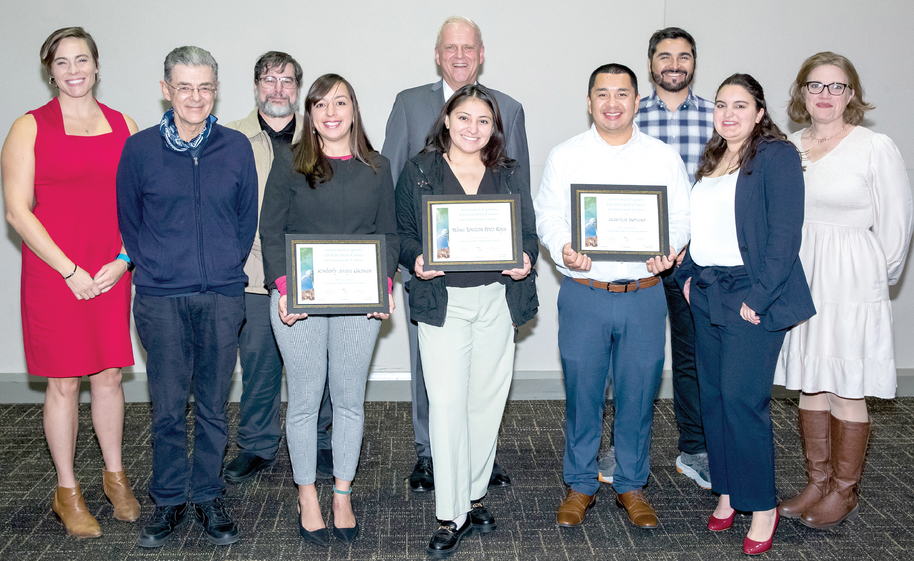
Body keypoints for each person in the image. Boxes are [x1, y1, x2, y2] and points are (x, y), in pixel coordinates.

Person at [534, 64, 690, 530]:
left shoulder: (663, 156)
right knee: (583, 394)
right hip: (585, 293)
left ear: (637, 101)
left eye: (622, 93)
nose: (612, 103)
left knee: (639, 393)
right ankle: (580, 484)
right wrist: (563, 248)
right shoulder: (566, 156)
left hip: (644, 294)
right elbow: (549, 214)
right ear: (589, 102)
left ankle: (631, 484)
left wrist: (670, 247)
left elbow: (680, 215)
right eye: (602, 94)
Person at [0, 26, 140, 539]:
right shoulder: (28, 127)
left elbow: (139, 203)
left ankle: (115, 475)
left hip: (109, 269)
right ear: (50, 71)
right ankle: (67, 491)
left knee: (107, 376)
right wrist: (69, 270)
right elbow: (18, 212)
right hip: (55, 273)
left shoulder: (126, 124)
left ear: (97, 65)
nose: (74, 70)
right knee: (63, 382)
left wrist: (124, 259)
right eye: (62, 62)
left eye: (82, 60)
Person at [117, 46, 258, 548]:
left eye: (204, 87)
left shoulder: (236, 147)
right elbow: (130, 224)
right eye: (184, 86)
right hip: (160, 298)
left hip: (221, 295)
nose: (194, 97)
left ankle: (207, 494)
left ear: (215, 89)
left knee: (216, 405)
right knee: (168, 407)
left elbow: (245, 223)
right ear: (166, 90)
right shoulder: (138, 151)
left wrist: (221, 267)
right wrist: (157, 269)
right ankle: (170, 499)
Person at [382, 15, 529, 492]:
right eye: (451, 47)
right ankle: (431, 454)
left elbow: (516, 196)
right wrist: (409, 259)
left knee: (485, 385)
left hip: (492, 283)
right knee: (435, 377)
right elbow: (393, 190)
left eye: (469, 47)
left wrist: (523, 252)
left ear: (481, 53)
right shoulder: (409, 104)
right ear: (438, 53)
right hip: (432, 276)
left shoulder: (508, 106)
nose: (460, 55)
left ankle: (475, 468)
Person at [396, 83, 538, 559]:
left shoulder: (510, 173)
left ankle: (475, 495)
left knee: (485, 406)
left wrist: (525, 258)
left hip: (498, 300)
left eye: (483, 120)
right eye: (464, 118)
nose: (473, 128)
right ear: (447, 121)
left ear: (493, 127)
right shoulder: (419, 170)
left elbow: (530, 235)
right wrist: (416, 259)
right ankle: (450, 513)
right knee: (448, 407)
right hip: (444, 303)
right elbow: (403, 234)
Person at [676, 73, 815, 555]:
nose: (728, 113)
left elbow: (784, 236)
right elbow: (701, 228)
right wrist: (688, 277)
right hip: (709, 288)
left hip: (752, 292)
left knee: (742, 400)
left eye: (740, 105)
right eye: (721, 105)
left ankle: (763, 505)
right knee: (711, 397)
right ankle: (729, 491)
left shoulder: (775, 156)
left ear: (760, 112)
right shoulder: (713, 158)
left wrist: (757, 299)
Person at [259, 73, 398, 548]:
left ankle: (341, 492)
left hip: (358, 302)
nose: (331, 112)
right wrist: (283, 287)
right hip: (298, 300)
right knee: (303, 400)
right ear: (310, 115)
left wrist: (383, 284)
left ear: (353, 110)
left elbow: (390, 233)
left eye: (340, 102)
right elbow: (271, 230)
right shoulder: (288, 163)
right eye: (321, 104)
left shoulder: (377, 167)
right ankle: (306, 494)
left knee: (348, 400)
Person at [775, 52, 913, 529]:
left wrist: (879, 279)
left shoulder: (875, 146)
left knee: (846, 387)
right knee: (812, 381)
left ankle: (843, 491)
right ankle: (816, 482)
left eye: (836, 86)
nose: (825, 95)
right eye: (816, 86)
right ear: (801, 93)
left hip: (853, 276)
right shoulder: (788, 147)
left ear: (851, 94)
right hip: (804, 272)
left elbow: (897, 224)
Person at [223, 51, 339, 484]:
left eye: (287, 81)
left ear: (299, 90)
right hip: (253, 274)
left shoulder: (323, 137)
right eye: (269, 80)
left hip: (315, 277)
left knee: (320, 366)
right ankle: (257, 444)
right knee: (259, 363)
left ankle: (322, 442)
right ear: (256, 87)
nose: (278, 89)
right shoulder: (230, 138)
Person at [624, 27, 715, 490]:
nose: (674, 64)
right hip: (632, 257)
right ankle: (620, 447)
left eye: (683, 56)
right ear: (651, 63)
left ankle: (695, 449)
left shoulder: (717, 117)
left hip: (694, 258)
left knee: (691, 355)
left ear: (693, 63)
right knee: (628, 356)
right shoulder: (627, 115)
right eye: (665, 56)